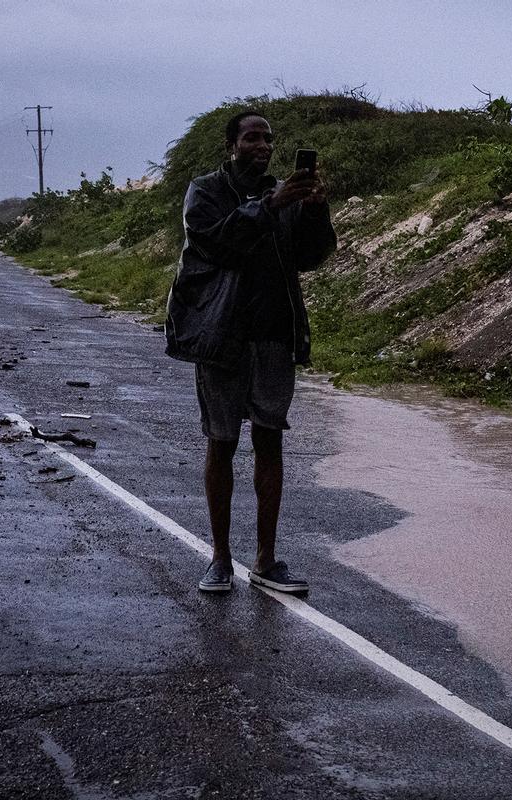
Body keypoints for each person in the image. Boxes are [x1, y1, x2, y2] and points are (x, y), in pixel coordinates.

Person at [164, 110, 336, 594]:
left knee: (270, 440)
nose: (263, 146)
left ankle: (266, 559)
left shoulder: (282, 193)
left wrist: (315, 209)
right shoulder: (206, 191)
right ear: (231, 145)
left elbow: (310, 256)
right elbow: (216, 242)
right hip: (222, 337)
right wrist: (270, 204)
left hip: (275, 335)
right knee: (222, 442)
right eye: (252, 138)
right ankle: (219, 559)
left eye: (268, 139)